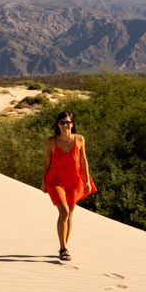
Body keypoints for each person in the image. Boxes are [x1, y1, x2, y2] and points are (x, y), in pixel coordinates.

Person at [42, 111, 96, 261]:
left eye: (68, 122)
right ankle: (62, 248)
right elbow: (47, 162)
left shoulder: (79, 139)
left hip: (74, 181)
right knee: (64, 211)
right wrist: (43, 180)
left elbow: (84, 160)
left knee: (70, 214)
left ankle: (65, 246)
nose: (65, 125)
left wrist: (86, 180)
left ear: (72, 124)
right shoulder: (51, 141)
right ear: (57, 125)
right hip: (55, 180)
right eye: (62, 122)